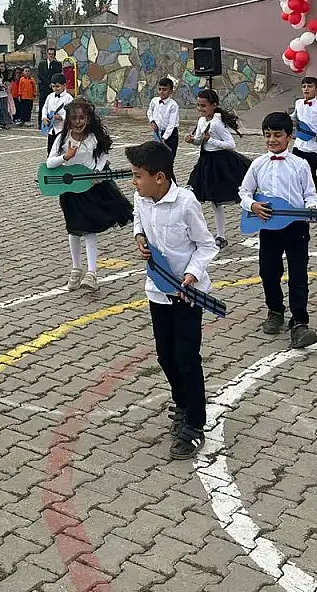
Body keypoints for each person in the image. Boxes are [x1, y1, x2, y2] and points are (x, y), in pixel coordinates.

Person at [127, 139, 217, 460]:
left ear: (160, 177)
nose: (134, 181)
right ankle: (181, 404)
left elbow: (206, 245)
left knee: (186, 357)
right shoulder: (142, 199)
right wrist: (139, 237)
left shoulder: (186, 204)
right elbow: (139, 221)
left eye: (138, 175)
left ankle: (194, 423)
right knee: (165, 354)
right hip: (157, 291)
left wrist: (192, 274)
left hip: (188, 294)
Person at [238, 112, 317, 348]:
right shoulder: (258, 164)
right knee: (268, 271)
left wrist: (311, 209)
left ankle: (300, 321)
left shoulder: (300, 164)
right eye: (268, 135)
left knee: (298, 273)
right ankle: (275, 311)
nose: (272, 140)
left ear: (289, 137)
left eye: (277, 135)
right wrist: (252, 205)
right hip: (269, 226)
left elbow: (310, 194)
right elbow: (243, 192)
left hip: (296, 227)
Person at [47, 97, 134, 292]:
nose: (78, 122)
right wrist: (65, 157)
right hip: (70, 190)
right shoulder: (63, 137)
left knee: (89, 229)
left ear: (88, 118)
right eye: (74, 118)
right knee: (74, 229)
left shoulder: (93, 138)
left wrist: (97, 170)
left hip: (89, 188)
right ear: (69, 120)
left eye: (82, 118)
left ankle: (92, 273)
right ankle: (76, 269)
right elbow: (49, 163)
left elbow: (103, 155)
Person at [184, 88, 252, 250]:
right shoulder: (202, 121)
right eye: (198, 106)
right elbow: (201, 141)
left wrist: (212, 140)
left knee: (216, 200)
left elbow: (230, 144)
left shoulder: (217, 123)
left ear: (213, 105)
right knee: (191, 194)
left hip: (221, 163)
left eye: (204, 106)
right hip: (205, 162)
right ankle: (194, 232)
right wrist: (192, 140)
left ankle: (220, 235)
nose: (200, 109)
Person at [291, 76, 317, 185]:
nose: (306, 89)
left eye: (310, 86)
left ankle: (312, 198)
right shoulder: (298, 103)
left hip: (314, 147)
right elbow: (294, 117)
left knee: (310, 173)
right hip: (299, 144)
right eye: (304, 86)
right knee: (295, 172)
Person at [147, 77, 180, 163]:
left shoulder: (173, 105)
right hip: (158, 132)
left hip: (171, 134)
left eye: (164, 89)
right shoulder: (154, 101)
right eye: (160, 89)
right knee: (157, 159)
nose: (161, 92)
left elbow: (171, 124)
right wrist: (152, 121)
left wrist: (164, 138)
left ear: (171, 91)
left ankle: (169, 175)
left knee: (169, 158)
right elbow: (149, 111)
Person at [40, 73, 73, 150]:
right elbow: (45, 107)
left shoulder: (68, 98)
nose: (55, 89)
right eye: (53, 86)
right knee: (50, 149)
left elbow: (71, 112)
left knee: (60, 149)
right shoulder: (50, 96)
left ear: (64, 85)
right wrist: (44, 117)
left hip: (62, 128)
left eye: (57, 86)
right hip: (51, 128)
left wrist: (61, 117)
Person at [36, 47, 63, 127]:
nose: (50, 56)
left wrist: (53, 84)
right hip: (44, 89)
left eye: (52, 54)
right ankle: (41, 123)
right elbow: (40, 75)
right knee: (43, 106)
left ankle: (51, 122)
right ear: (47, 55)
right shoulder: (41, 64)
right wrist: (48, 83)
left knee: (53, 106)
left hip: (53, 89)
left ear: (54, 55)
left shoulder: (57, 64)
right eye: (49, 54)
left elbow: (57, 74)